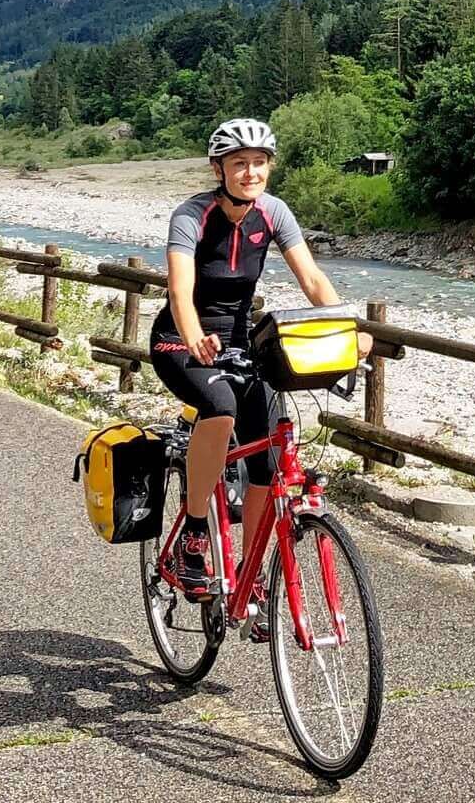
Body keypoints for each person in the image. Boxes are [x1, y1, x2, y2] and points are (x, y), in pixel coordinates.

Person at [148, 116, 354, 598]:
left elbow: (312, 278)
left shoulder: (274, 213)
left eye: (259, 163)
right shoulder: (191, 215)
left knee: (269, 457)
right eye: (239, 163)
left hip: (240, 342)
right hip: (180, 340)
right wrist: (195, 335)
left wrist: (347, 327)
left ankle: (251, 574)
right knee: (220, 408)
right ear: (219, 168)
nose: (250, 172)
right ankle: (195, 531)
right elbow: (179, 291)